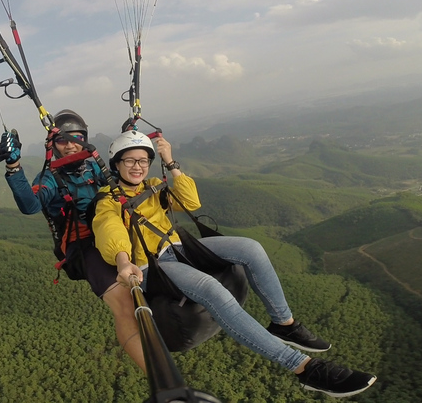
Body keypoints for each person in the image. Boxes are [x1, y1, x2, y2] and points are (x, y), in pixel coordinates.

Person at [91, 130, 377, 398]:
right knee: (211, 289)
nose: (137, 166)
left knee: (251, 248)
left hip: (178, 245)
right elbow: (110, 229)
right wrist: (123, 261)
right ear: (117, 164)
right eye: (129, 160)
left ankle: (284, 323)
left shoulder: (154, 186)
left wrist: (170, 161)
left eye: (143, 160)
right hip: (151, 263)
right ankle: (304, 368)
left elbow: (191, 202)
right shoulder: (110, 200)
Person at [0, 110, 146, 370]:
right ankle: (161, 380)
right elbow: (31, 205)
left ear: (84, 139)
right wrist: (13, 167)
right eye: (62, 140)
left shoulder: (96, 168)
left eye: (75, 138)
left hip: (116, 233)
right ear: (52, 146)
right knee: (125, 303)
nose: (69, 145)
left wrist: (129, 137)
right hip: (83, 247)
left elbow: (125, 178)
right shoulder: (50, 178)